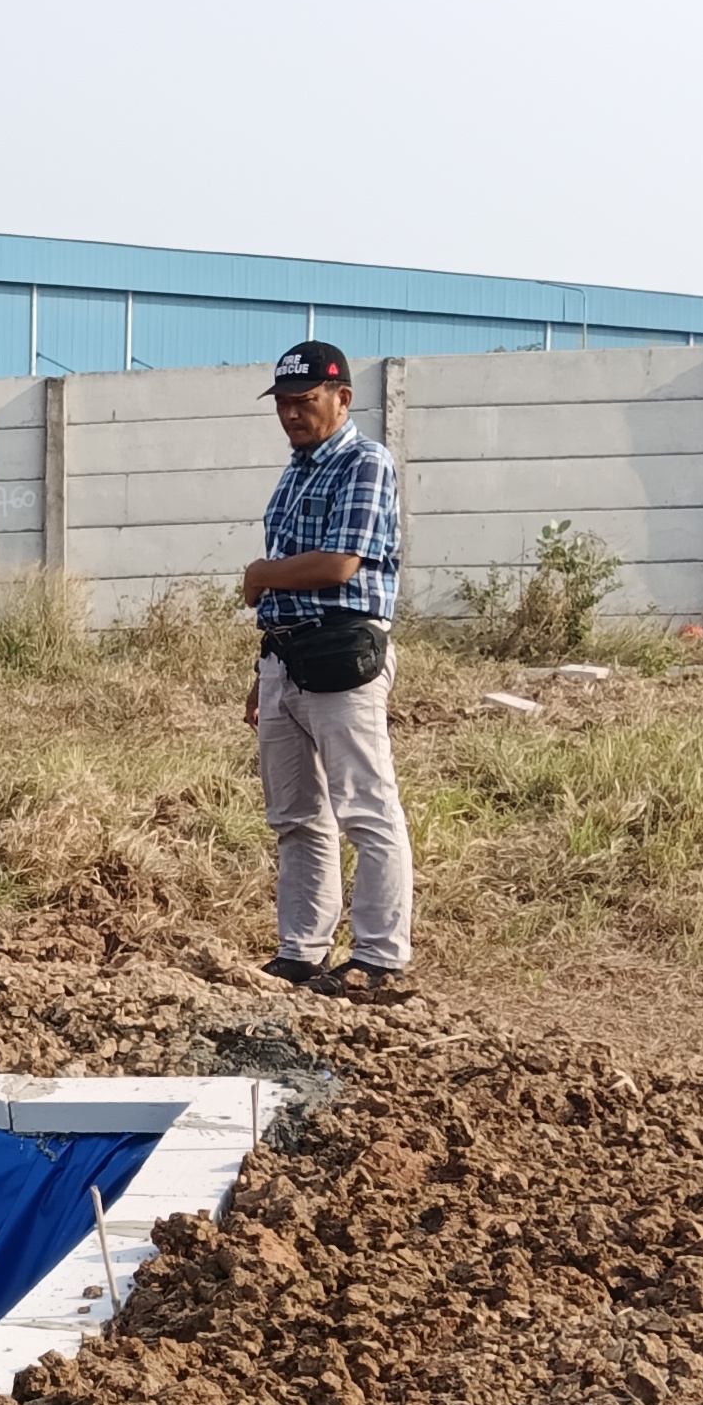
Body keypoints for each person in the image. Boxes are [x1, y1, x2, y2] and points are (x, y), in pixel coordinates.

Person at [237, 340, 414, 1003]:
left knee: (365, 808)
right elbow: (294, 578)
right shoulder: (298, 469)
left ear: (343, 397)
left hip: (343, 652)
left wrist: (258, 576)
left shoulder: (366, 463)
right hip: (286, 656)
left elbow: (341, 562)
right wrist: (263, 668)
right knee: (296, 817)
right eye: (283, 402)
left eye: (305, 401)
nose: (291, 413)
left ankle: (380, 955)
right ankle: (302, 950)